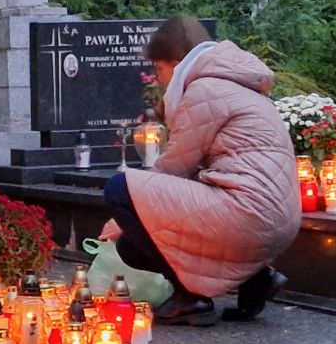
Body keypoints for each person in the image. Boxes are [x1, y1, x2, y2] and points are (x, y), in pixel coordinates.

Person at [98, 16, 300, 326]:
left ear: (178, 62)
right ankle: (257, 279)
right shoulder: (237, 85)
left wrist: (126, 212)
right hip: (277, 218)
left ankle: (190, 299)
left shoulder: (205, 90)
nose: (160, 79)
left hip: (248, 214)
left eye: (160, 69)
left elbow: (176, 165)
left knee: (119, 189)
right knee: (131, 246)